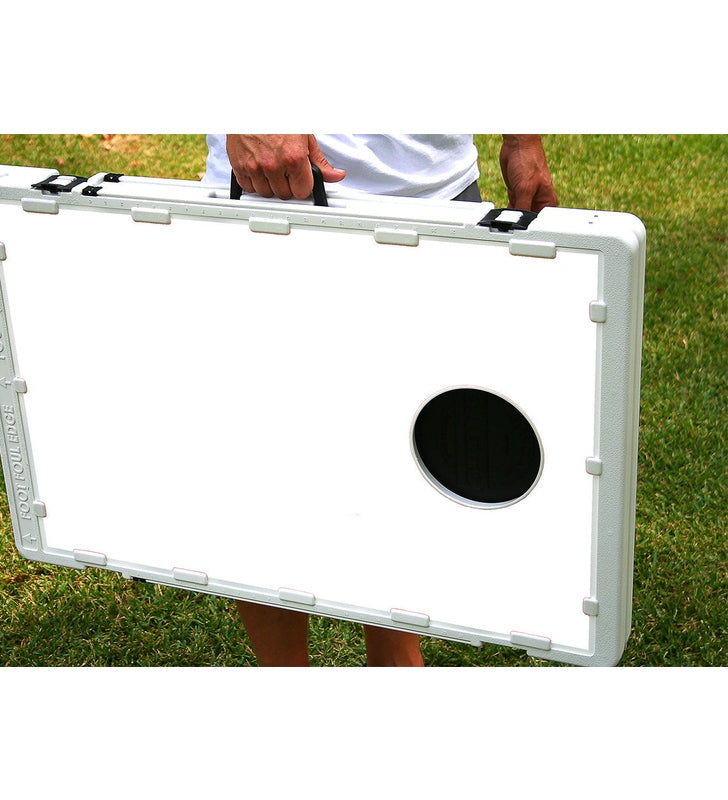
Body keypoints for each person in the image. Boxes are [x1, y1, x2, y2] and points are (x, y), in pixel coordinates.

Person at [203, 134, 558, 667]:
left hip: (432, 189)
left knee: (417, 456)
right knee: (266, 463)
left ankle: (395, 659)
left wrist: (522, 138)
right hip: (270, 186)